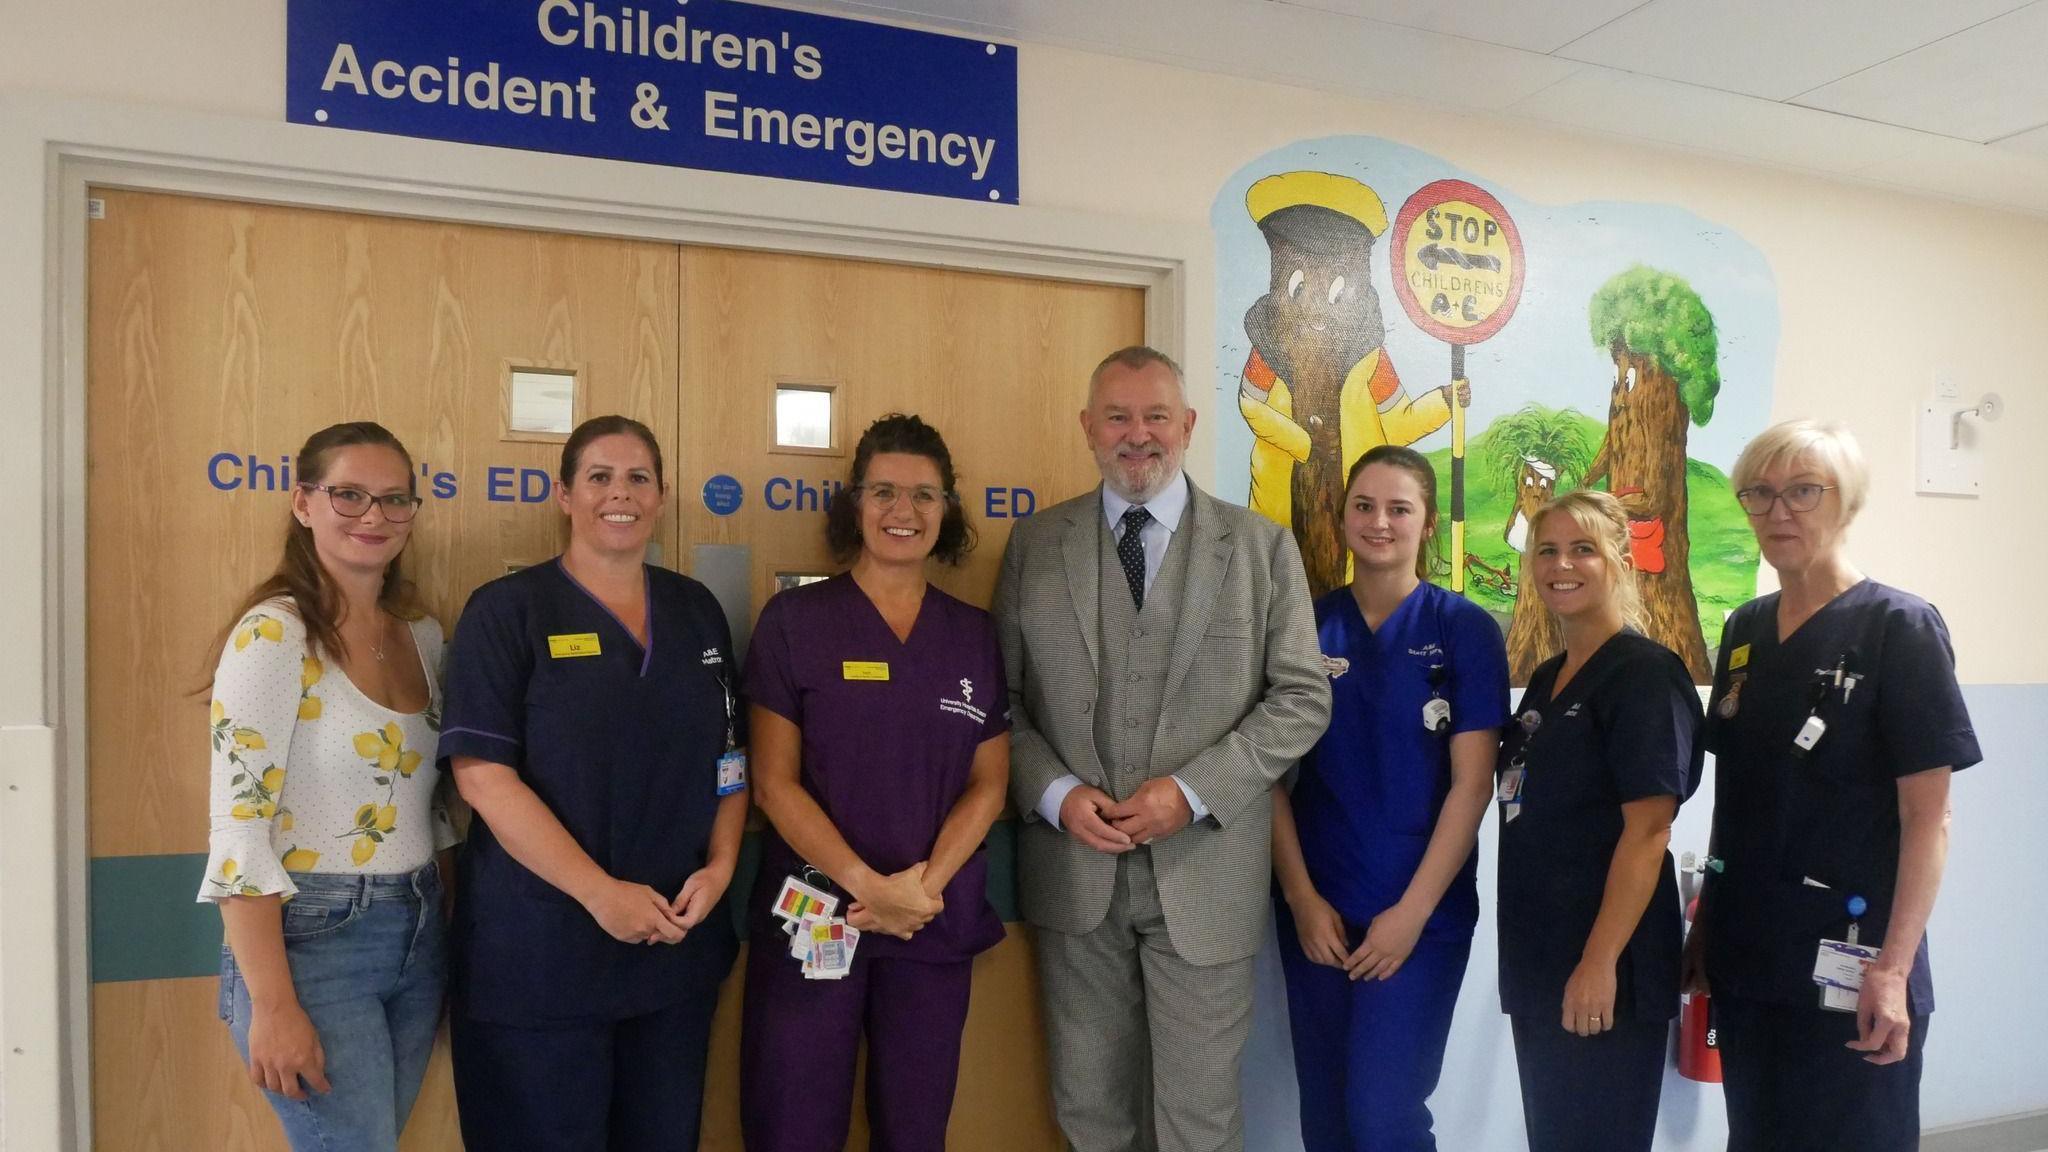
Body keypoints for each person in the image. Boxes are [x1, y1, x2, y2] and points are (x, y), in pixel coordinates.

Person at [994, 345, 1331, 1152]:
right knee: (1088, 1110)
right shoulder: (1035, 546)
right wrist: (1055, 795)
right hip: (1075, 878)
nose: (1136, 435)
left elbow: (1302, 698)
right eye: (1117, 416)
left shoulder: (1260, 549)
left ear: (1186, 424)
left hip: (1208, 879)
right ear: (1088, 428)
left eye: (1154, 416)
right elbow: (997, 706)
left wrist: (1191, 790)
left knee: (1199, 1123)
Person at [438, 415, 747, 1151]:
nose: (621, 493)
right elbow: (482, 777)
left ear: (663, 496)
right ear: (564, 495)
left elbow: (731, 761)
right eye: (600, 477)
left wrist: (723, 865)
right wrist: (598, 893)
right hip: (542, 957)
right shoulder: (507, 612)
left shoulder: (696, 612)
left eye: (639, 477)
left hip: (672, 952)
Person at [1688, 420, 1978, 1152]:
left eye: (1803, 492)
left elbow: (1929, 818)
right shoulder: (1746, 631)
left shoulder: (1898, 628)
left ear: (1845, 504)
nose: (1779, 512)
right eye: (1760, 494)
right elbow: (1740, 797)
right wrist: (1706, 926)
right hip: (1752, 958)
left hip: (1856, 964)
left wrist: (1894, 969)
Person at [739, 413, 1010, 1151]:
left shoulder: (974, 634)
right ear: (853, 502)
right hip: (818, 917)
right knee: (794, 1123)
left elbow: (989, 784)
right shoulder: (795, 622)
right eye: (885, 491)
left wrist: (920, 891)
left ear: (947, 511)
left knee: (915, 1128)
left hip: (930, 920)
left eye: (925, 496)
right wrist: (869, 887)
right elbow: (773, 784)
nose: (904, 512)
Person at [197, 421, 453, 1152]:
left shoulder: (424, 636)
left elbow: (434, 811)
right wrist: (274, 1007)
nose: (373, 517)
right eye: (349, 495)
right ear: (303, 503)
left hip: (420, 929)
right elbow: (239, 833)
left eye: (393, 499)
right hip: (313, 943)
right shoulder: (273, 636)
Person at [1270, 445, 1508, 1151]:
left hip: (1418, 916)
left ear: (1427, 523)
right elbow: (1267, 777)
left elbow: (1474, 784)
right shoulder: (1303, 626)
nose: (1380, 522)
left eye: (1399, 508)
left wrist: (1410, 914)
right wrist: (1300, 899)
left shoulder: (1462, 629)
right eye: (1364, 506)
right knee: (1329, 1114)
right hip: (1318, 910)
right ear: (1340, 517)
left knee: (1385, 1116)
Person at [1494, 490, 1701, 1152]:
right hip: (1539, 956)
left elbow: (1648, 832)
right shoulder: (1550, 677)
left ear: (1619, 558)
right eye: (1547, 550)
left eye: (1583, 548)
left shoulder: (1645, 676)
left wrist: (1598, 961)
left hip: (1606, 962)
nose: (1562, 565)